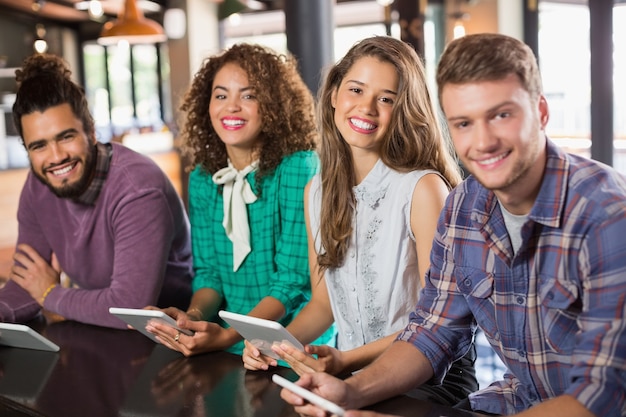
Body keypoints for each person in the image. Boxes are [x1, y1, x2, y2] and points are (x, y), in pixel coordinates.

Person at [280, 33, 626, 417]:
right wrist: (350, 393)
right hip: (515, 400)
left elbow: (603, 394)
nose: (483, 141)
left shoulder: (606, 213)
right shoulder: (464, 207)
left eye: (501, 115)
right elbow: (432, 332)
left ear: (541, 112)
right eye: (463, 123)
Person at [242, 35, 477, 405]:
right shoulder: (315, 191)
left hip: (428, 379)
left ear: (404, 110)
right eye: (356, 89)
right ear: (334, 94)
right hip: (349, 372)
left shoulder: (424, 188)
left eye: (386, 98)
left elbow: (436, 325)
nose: (367, 107)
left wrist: (345, 361)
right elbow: (323, 304)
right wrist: (277, 344)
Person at [144, 43, 335, 356]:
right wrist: (192, 320)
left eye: (248, 95)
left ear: (273, 105)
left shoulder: (299, 168)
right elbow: (209, 276)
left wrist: (228, 335)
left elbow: (291, 283)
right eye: (221, 95)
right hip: (230, 347)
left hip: (294, 346)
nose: (231, 107)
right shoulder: (204, 179)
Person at [0, 54, 193, 328]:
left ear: (90, 131)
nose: (55, 157)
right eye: (39, 146)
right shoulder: (37, 187)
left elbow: (131, 307)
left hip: (172, 338)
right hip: (99, 331)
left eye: (66, 137)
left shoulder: (138, 189)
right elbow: (25, 284)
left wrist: (50, 294)